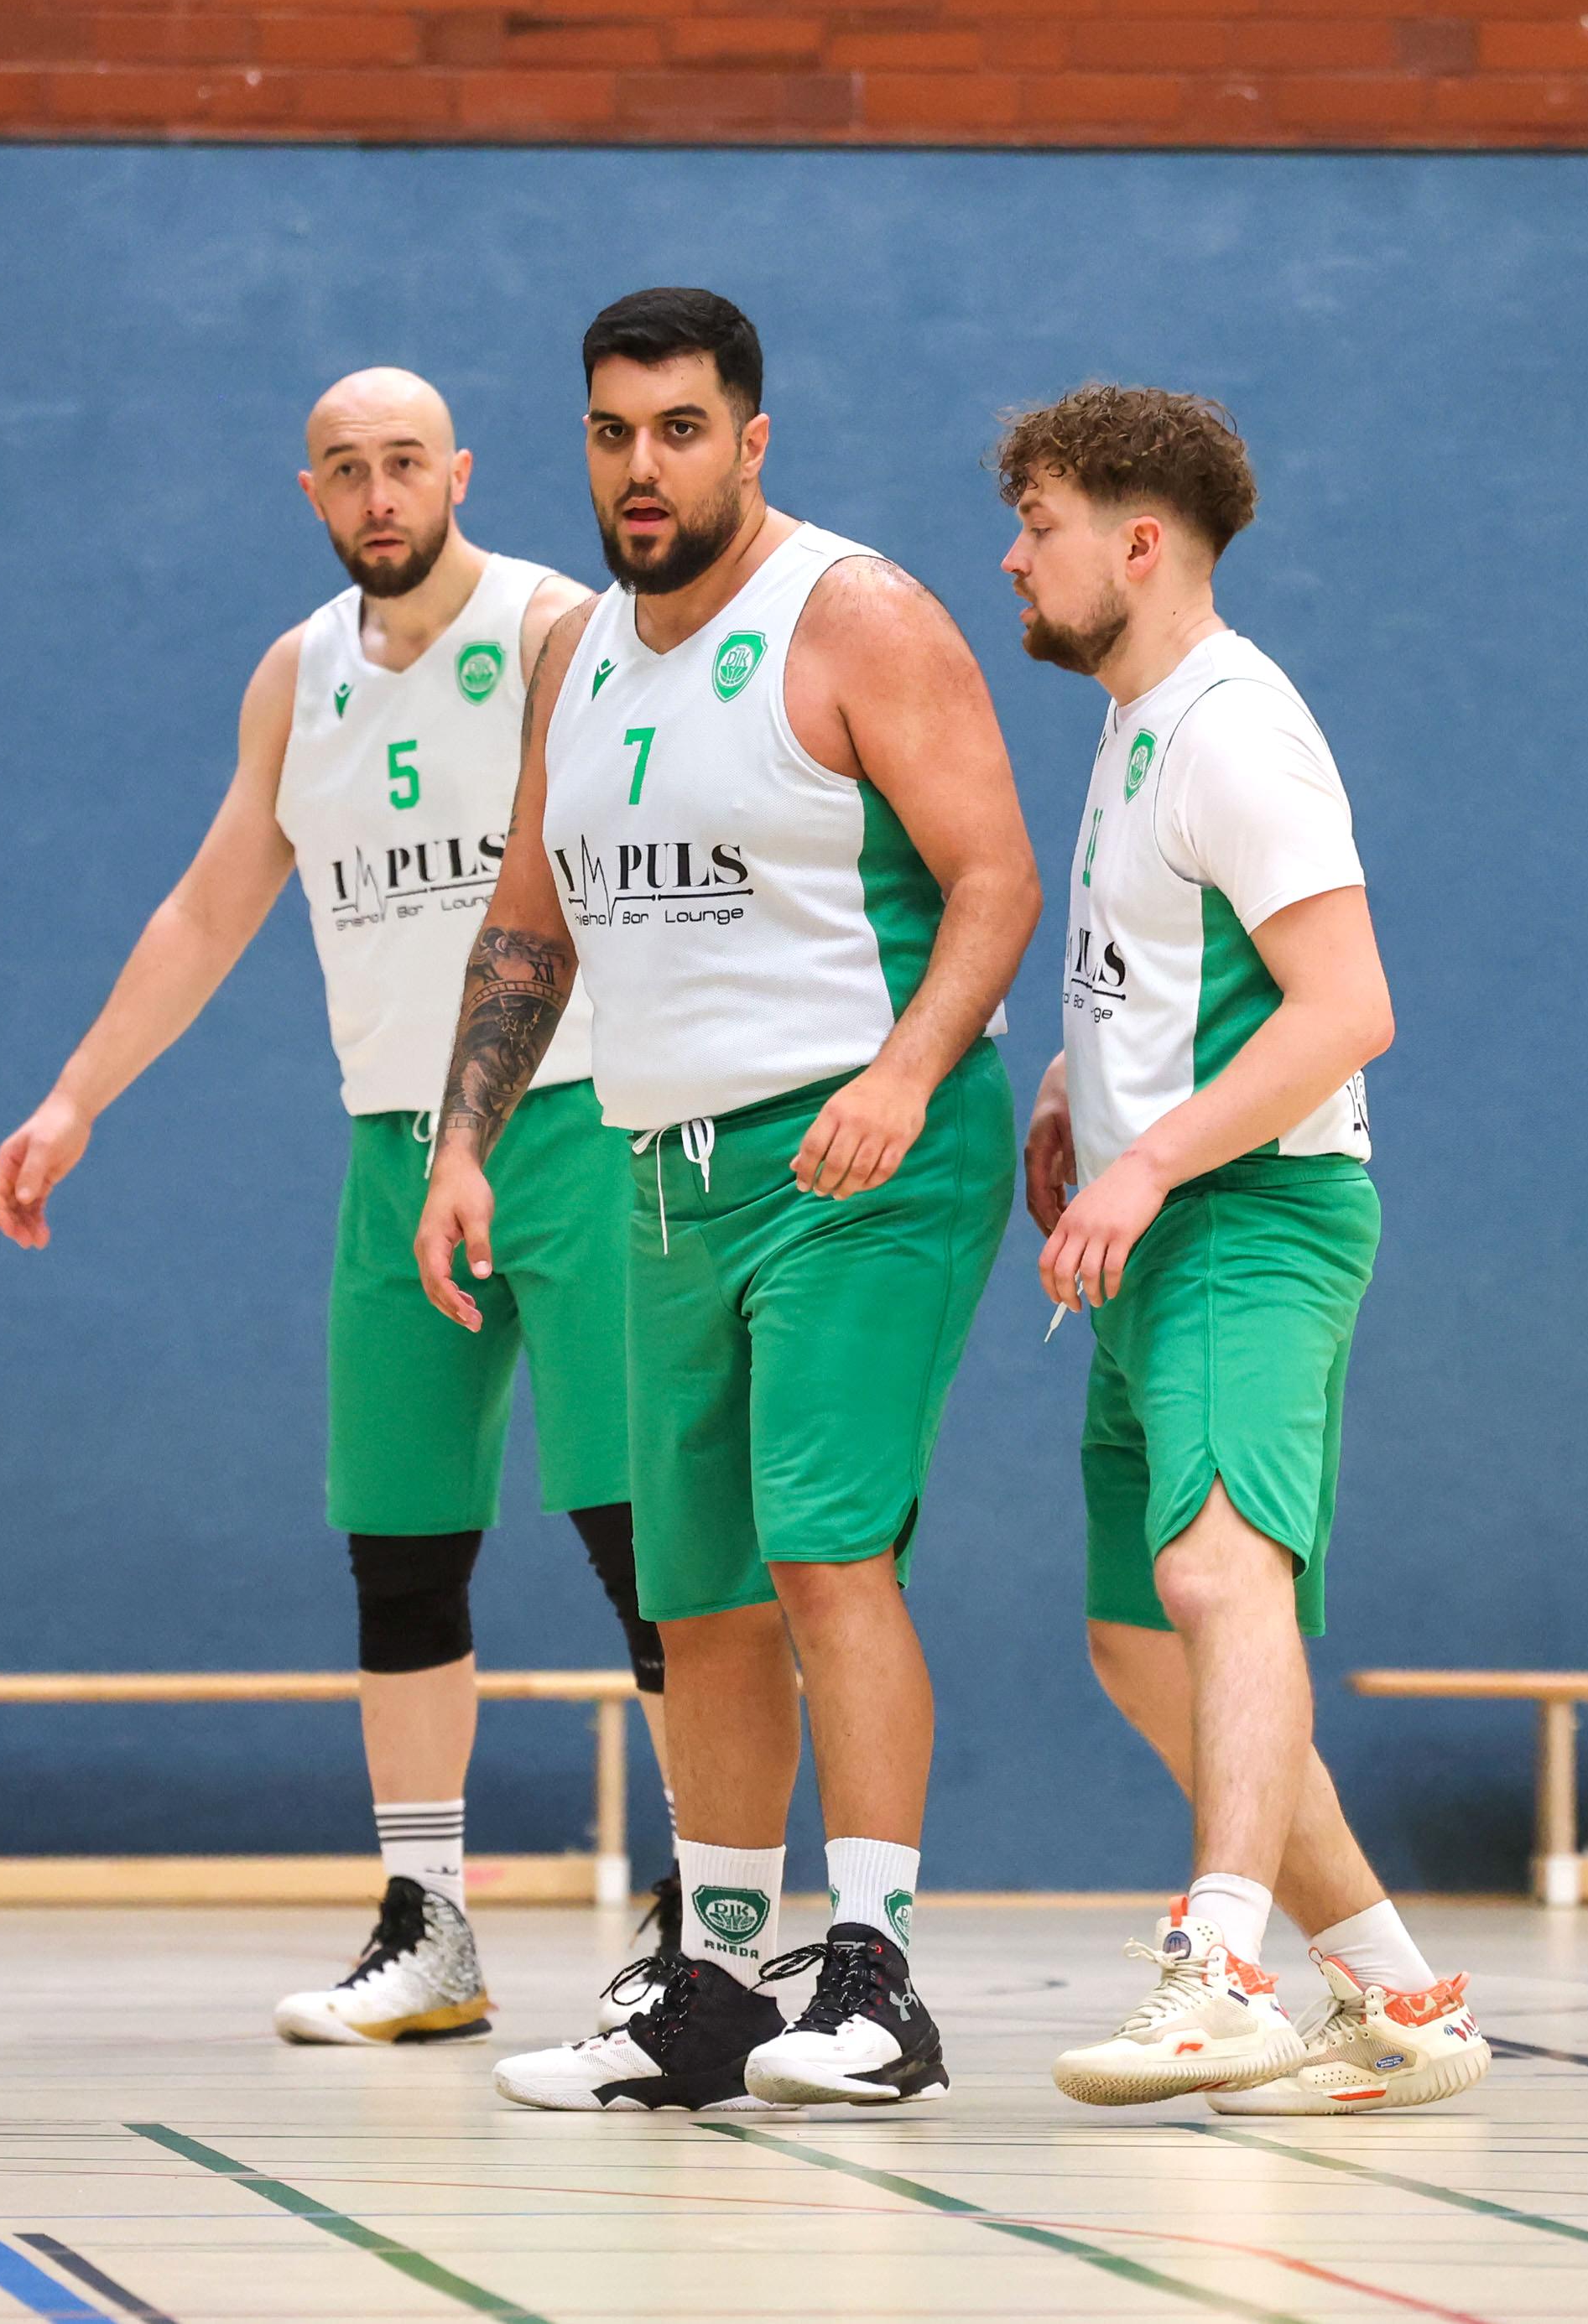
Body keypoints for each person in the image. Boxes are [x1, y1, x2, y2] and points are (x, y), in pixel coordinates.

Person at [0, 368, 677, 2047]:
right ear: (310, 492)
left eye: (405, 464)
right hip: (394, 1146)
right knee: (401, 1542)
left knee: (641, 1539)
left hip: (579, 1122)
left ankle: (704, 1914)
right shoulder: (296, 676)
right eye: (347, 470)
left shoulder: (553, 633)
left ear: (460, 473)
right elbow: (210, 905)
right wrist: (76, 1093)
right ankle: (429, 1921)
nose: (379, 495)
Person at [422, 289, 1039, 2114]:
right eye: (612, 431)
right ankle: (711, 1981)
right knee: (691, 1590)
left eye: (679, 429)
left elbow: (995, 877)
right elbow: (527, 919)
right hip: (660, 1165)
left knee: (823, 1547)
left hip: (862, 1152)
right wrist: (461, 1142)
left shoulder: (854, 614)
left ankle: (877, 1974)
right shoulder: (575, 652)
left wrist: (904, 1074)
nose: (643, 465)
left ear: (749, 442)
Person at [998, 385, 1488, 2114]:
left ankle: (1220, 1970)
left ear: (1138, 542)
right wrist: (1078, 1086)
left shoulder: (1232, 729)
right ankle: (1397, 1992)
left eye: (1039, 526)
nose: (1014, 559)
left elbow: (1347, 1005)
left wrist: (1146, 1165)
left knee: (1218, 1577)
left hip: (1243, 1212)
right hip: (1162, 1221)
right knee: (1140, 1635)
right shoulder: (1136, 721)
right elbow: (1181, 968)